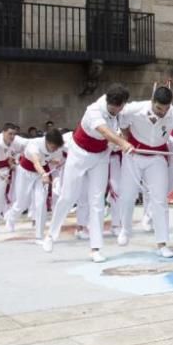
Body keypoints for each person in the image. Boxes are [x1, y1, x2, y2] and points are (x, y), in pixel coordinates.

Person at [42, 85, 133, 263]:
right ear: (107, 101)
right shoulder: (93, 110)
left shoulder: (124, 110)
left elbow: (137, 113)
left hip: (101, 157)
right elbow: (105, 132)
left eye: (119, 107)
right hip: (79, 154)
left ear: (123, 105)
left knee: (97, 201)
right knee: (68, 197)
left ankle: (95, 248)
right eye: (112, 106)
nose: (115, 110)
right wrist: (123, 143)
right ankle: (51, 236)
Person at [116, 87, 173, 259]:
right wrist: (125, 141)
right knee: (127, 196)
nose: (162, 113)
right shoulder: (134, 109)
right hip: (133, 154)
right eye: (159, 109)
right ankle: (125, 230)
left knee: (159, 200)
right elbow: (123, 123)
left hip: (157, 156)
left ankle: (162, 243)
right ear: (152, 102)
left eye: (166, 109)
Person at [3, 130, 65, 239]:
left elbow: (51, 158)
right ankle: (10, 219)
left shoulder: (57, 146)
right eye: (54, 147)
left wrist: (56, 161)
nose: (55, 149)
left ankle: (39, 235)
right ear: (48, 142)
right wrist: (44, 175)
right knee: (22, 203)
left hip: (41, 173)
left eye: (57, 148)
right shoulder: (33, 146)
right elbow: (36, 162)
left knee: (41, 203)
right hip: (26, 172)